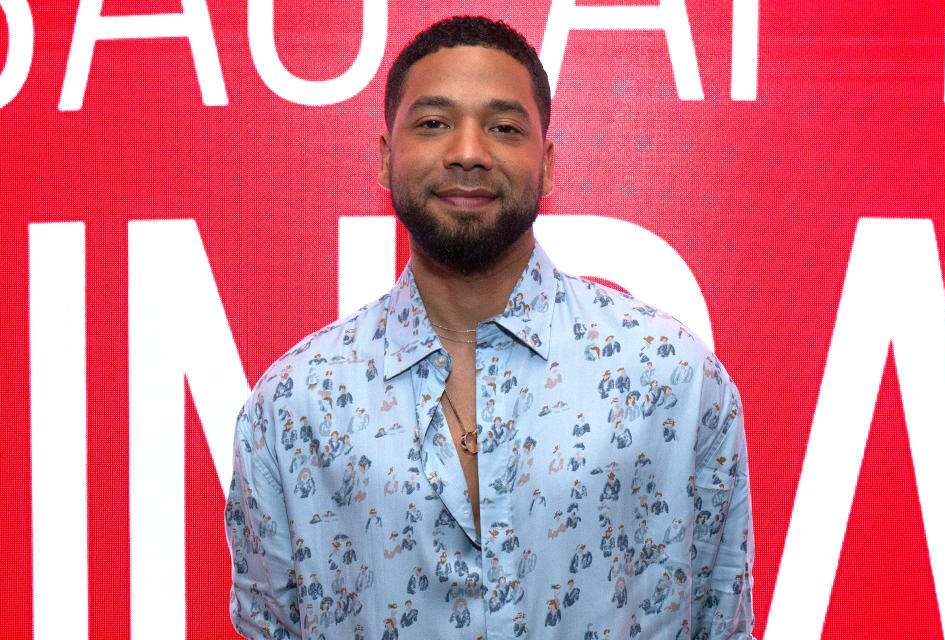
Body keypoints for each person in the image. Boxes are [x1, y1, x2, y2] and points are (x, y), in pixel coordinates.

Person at [226, 15, 755, 639]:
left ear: (548, 164)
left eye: (503, 127)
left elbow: (722, 621)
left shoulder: (673, 379)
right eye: (433, 123)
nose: (469, 152)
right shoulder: (293, 406)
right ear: (384, 157)